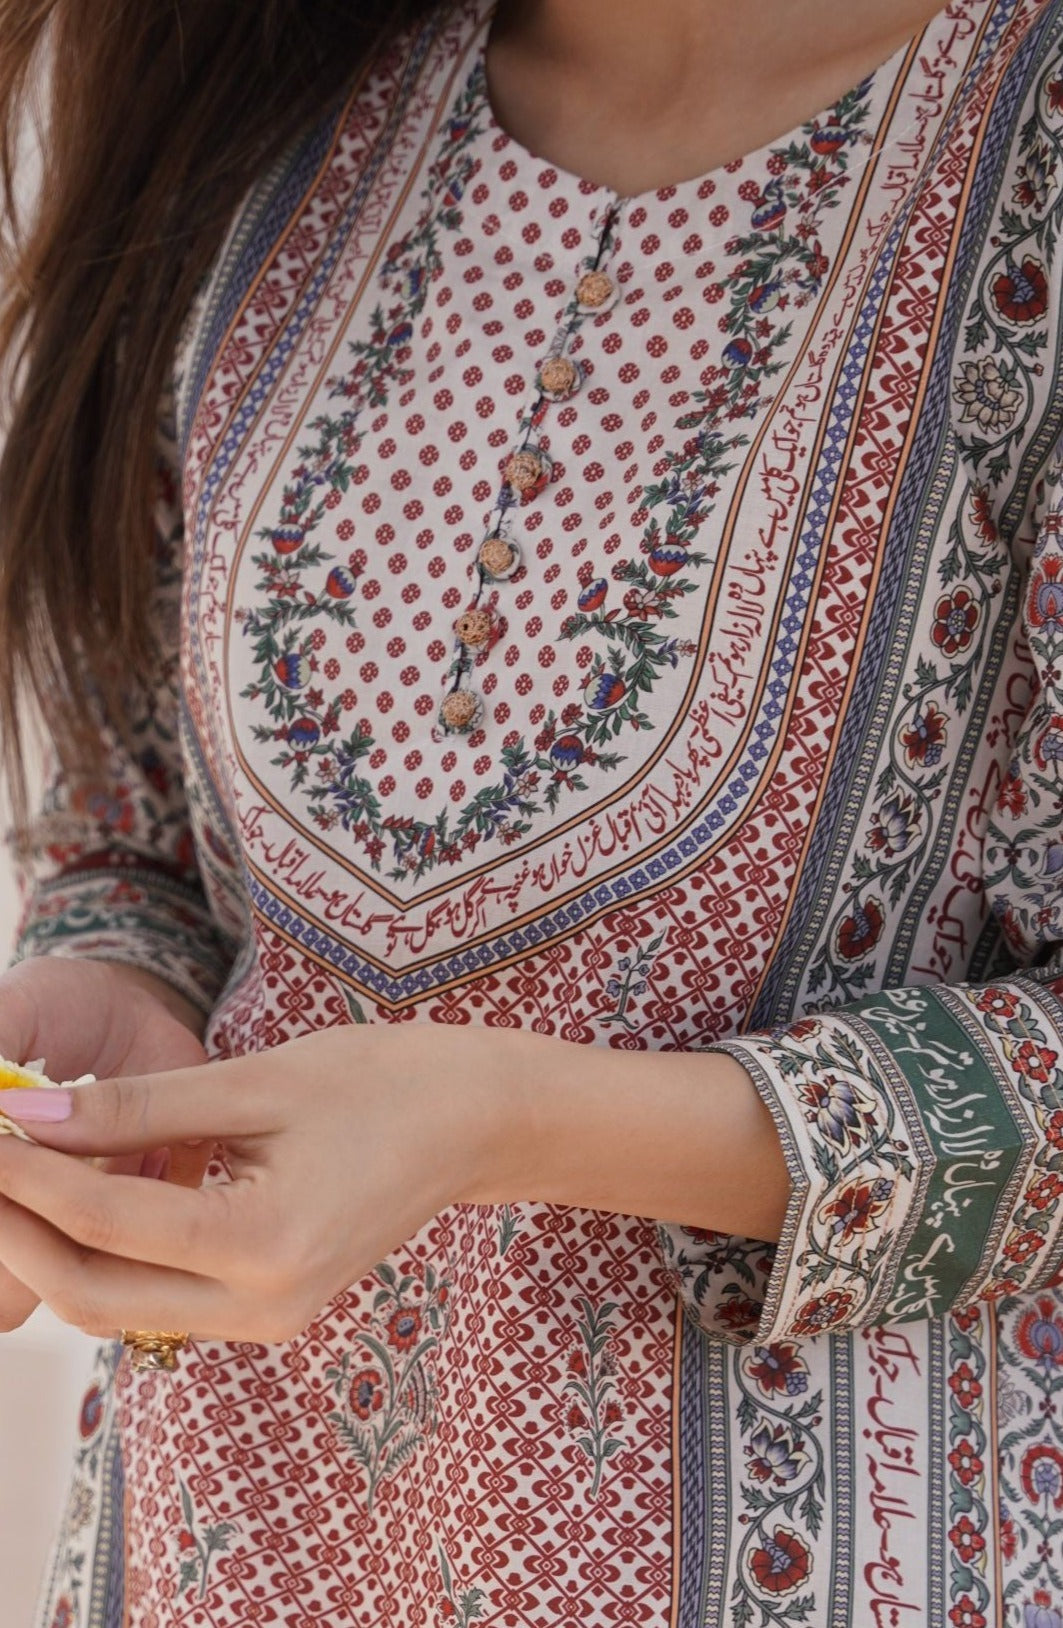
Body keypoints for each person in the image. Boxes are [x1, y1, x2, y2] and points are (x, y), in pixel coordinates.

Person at [0, 0, 1061, 1621]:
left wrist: (504, 1117)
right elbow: (140, 820)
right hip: (210, 1551)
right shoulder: (260, 94)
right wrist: (104, 991)